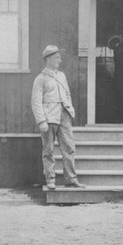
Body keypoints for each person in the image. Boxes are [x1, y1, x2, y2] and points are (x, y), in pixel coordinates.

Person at [31, 45, 86, 190]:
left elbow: (67, 93)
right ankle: (50, 180)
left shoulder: (62, 76)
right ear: (48, 59)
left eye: (59, 58)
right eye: (57, 58)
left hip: (64, 116)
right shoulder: (40, 79)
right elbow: (36, 102)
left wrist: (69, 108)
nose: (59, 60)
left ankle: (71, 179)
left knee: (69, 147)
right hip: (49, 117)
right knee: (48, 150)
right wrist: (41, 121)